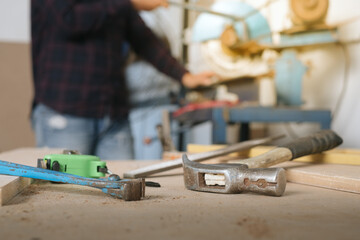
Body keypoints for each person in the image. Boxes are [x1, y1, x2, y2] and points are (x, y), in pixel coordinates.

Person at [30, 0, 215, 160]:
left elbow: (143, 39)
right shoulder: (119, 3)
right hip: (65, 114)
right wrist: (130, 2)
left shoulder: (117, 4)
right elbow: (68, 20)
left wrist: (185, 76)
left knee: (124, 192)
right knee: (63, 193)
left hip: (113, 115)